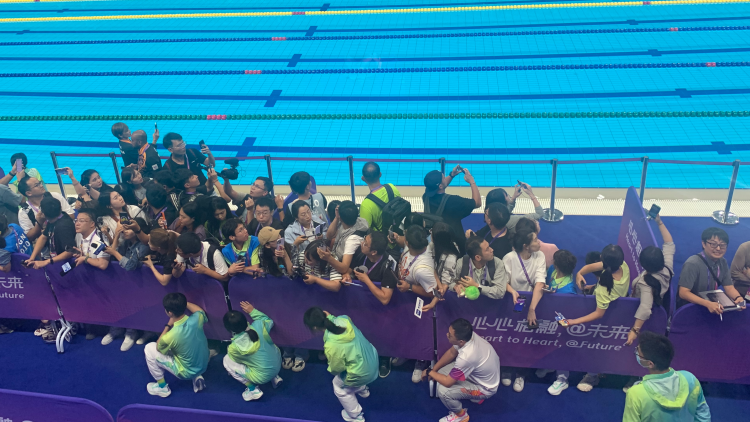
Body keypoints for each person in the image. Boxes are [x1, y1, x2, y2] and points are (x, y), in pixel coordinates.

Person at [567, 244, 631, 392]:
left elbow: (599, 313)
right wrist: (580, 273)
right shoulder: (623, 265)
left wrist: (574, 322)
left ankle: (592, 375)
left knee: (597, 346)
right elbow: (594, 267)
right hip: (619, 310)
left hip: (606, 320)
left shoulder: (604, 286)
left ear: (602, 258)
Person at [303, 307, 378, 422]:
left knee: (338, 387)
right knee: (353, 368)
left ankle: (356, 416)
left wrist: (331, 370)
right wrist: (331, 317)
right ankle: (363, 390)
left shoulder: (331, 345)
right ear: (324, 313)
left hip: (362, 373)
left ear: (315, 327)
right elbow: (336, 321)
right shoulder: (344, 319)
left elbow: (336, 369)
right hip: (372, 359)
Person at [423, 318, 500, 422]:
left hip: (486, 389)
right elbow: (451, 353)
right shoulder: (469, 336)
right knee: (439, 374)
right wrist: (434, 370)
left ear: (461, 341)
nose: (447, 335)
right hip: (480, 375)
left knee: (443, 391)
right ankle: (475, 397)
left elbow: (448, 382)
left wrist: (429, 372)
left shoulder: (466, 357)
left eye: (450, 335)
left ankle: (461, 416)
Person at [623, 331, 710, 422]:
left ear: (650, 364)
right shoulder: (690, 378)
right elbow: (703, 413)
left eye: (638, 352)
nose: (636, 352)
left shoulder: (636, 393)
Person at [501, 229, 546, 392]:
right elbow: (503, 281)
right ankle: (506, 368)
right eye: (535, 240)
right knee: (508, 337)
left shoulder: (540, 256)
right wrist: (513, 291)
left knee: (526, 340)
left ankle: (521, 373)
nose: (539, 242)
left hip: (532, 302)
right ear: (526, 246)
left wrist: (532, 309)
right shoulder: (509, 258)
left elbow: (540, 283)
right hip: (512, 302)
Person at [396, 225, 443, 383]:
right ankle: (407, 353)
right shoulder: (414, 247)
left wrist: (409, 287)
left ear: (408, 242)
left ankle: (421, 361)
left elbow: (434, 293)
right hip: (406, 301)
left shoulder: (423, 269)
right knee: (406, 330)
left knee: (421, 334)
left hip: (421, 306)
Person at [144, 293, 209, 397]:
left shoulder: (169, 336)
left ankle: (162, 388)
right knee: (184, 347)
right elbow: (199, 310)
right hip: (203, 364)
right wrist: (181, 303)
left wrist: (168, 325)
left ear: (169, 312)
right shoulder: (197, 318)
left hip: (186, 372)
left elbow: (159, 347)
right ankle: (197, 376)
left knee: (149, 348)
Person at [626, 215, 675, 347]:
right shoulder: (667, 267)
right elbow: (669, 244)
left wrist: (634, 330)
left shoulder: (645, 283)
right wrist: (659, 222)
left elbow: (645, 309)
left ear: (644, 264)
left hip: (635, 310)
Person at [534, 249, 578, 395]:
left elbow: (566, 315)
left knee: (561, 347)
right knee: (548, 344)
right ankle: (550, 365)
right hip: (549, 316)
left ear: (558, 265)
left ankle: (562, 379)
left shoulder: (569, 290)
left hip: (562, 322)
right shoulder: (553, 270)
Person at [222, 301, 283, 401]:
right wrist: (252, 311)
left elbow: (239, 361)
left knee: (227, 360)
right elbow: (269, 321)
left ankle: (253, 390)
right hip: (278, 364)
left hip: (262, 377)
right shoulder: (259, 325)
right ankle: (274, 377)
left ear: (228, 329)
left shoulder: (233, 348)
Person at [678, 227, 745, 312]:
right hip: (692, 307)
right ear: (704, 244)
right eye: (713, 244)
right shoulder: (692, 263)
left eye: (722, 245)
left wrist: (738, 297)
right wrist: (707, 304)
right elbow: (683, 293)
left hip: (712, 305)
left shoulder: (722, 262)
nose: (718, 248)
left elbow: (729, 287)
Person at [422, 165, 481, 254]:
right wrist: (472, 181)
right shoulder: (453, 201)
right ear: (440, 186)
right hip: (454, 246)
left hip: (435, 241)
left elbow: (439, 188)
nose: (445, 178)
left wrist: (451, 175)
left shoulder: (426, 197)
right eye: (443, 177)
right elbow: (477, 203)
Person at [453, 236, 517, 301]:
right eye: (487, 249)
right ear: (478, 257)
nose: (492, 250)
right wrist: (455, 286)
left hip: (490, 304)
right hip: (467, 305)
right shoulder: (462, 263)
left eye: (489, 246)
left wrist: (477, 286)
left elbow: (500, 292)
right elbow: (450, 282)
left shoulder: (497, 263)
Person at [318, 201, 369, 276]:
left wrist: (328, 258)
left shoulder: (352, 240)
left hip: (344, 271)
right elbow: (329, 236)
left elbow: (344, 268)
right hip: (336, 257)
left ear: (341, 218)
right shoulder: (358, 220)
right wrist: (336, 217)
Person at [17, 176, 74, 241]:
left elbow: (71, 216)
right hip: (43, 245)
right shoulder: (24, 211)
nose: (41, 185)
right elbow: (29, 237)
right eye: (37, 185)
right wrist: (39, 223)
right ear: (29, 193)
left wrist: (50, 225)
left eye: (40, 183)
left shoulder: (55, 196)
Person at [358, 162, 402, 232]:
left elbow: (364, 231)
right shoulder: (392, 188)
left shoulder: (366, 205)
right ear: (380, 174)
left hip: (382, 238)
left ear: (363, 178)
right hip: (398, 233)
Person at [285, 201, 326, 268]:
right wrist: (295, 244)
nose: (308, 216)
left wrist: (323, 236)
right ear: (296, 218)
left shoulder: (317, 220)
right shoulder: (290, 231)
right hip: (305, 263)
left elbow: (327, 233)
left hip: (321, 258)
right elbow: (288, 254)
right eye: (303, 214)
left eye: (308, 211)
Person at [433, 222, 461, 289]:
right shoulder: (434, 246)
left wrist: (440, 288)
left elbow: (444, 284)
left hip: (445, 288)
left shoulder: (451, 258)